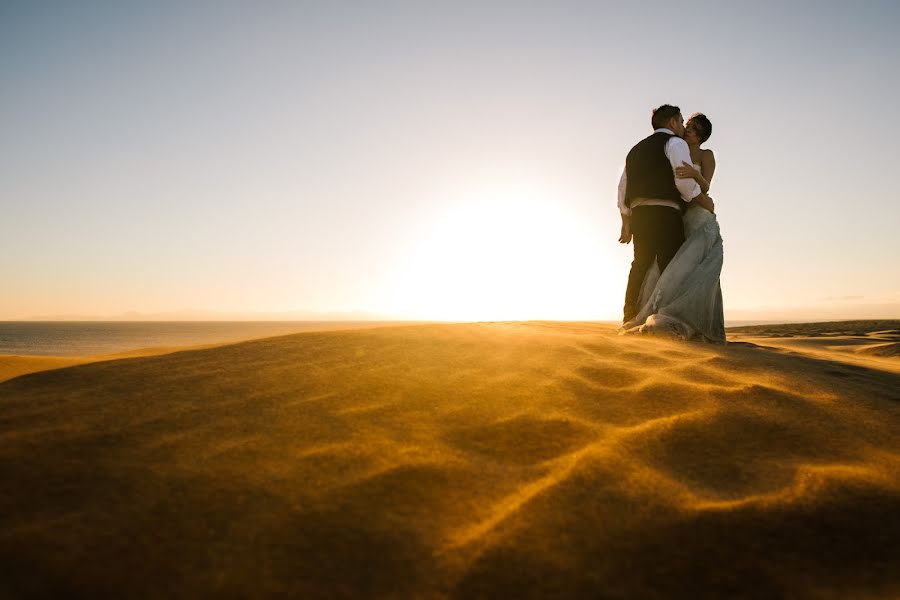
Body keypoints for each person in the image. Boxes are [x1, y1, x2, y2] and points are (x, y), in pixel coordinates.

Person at [619, 111, 726, 343]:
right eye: (687, 125)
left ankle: (682, 319)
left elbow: (705, 187)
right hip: (677, 213)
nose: (689, 130)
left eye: (695, 129)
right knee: (662, 265)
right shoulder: (675, 147)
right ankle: (650, 314)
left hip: (695, 214)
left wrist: (694, 176)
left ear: (703, 135)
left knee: (687, 266)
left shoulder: (705, 154)